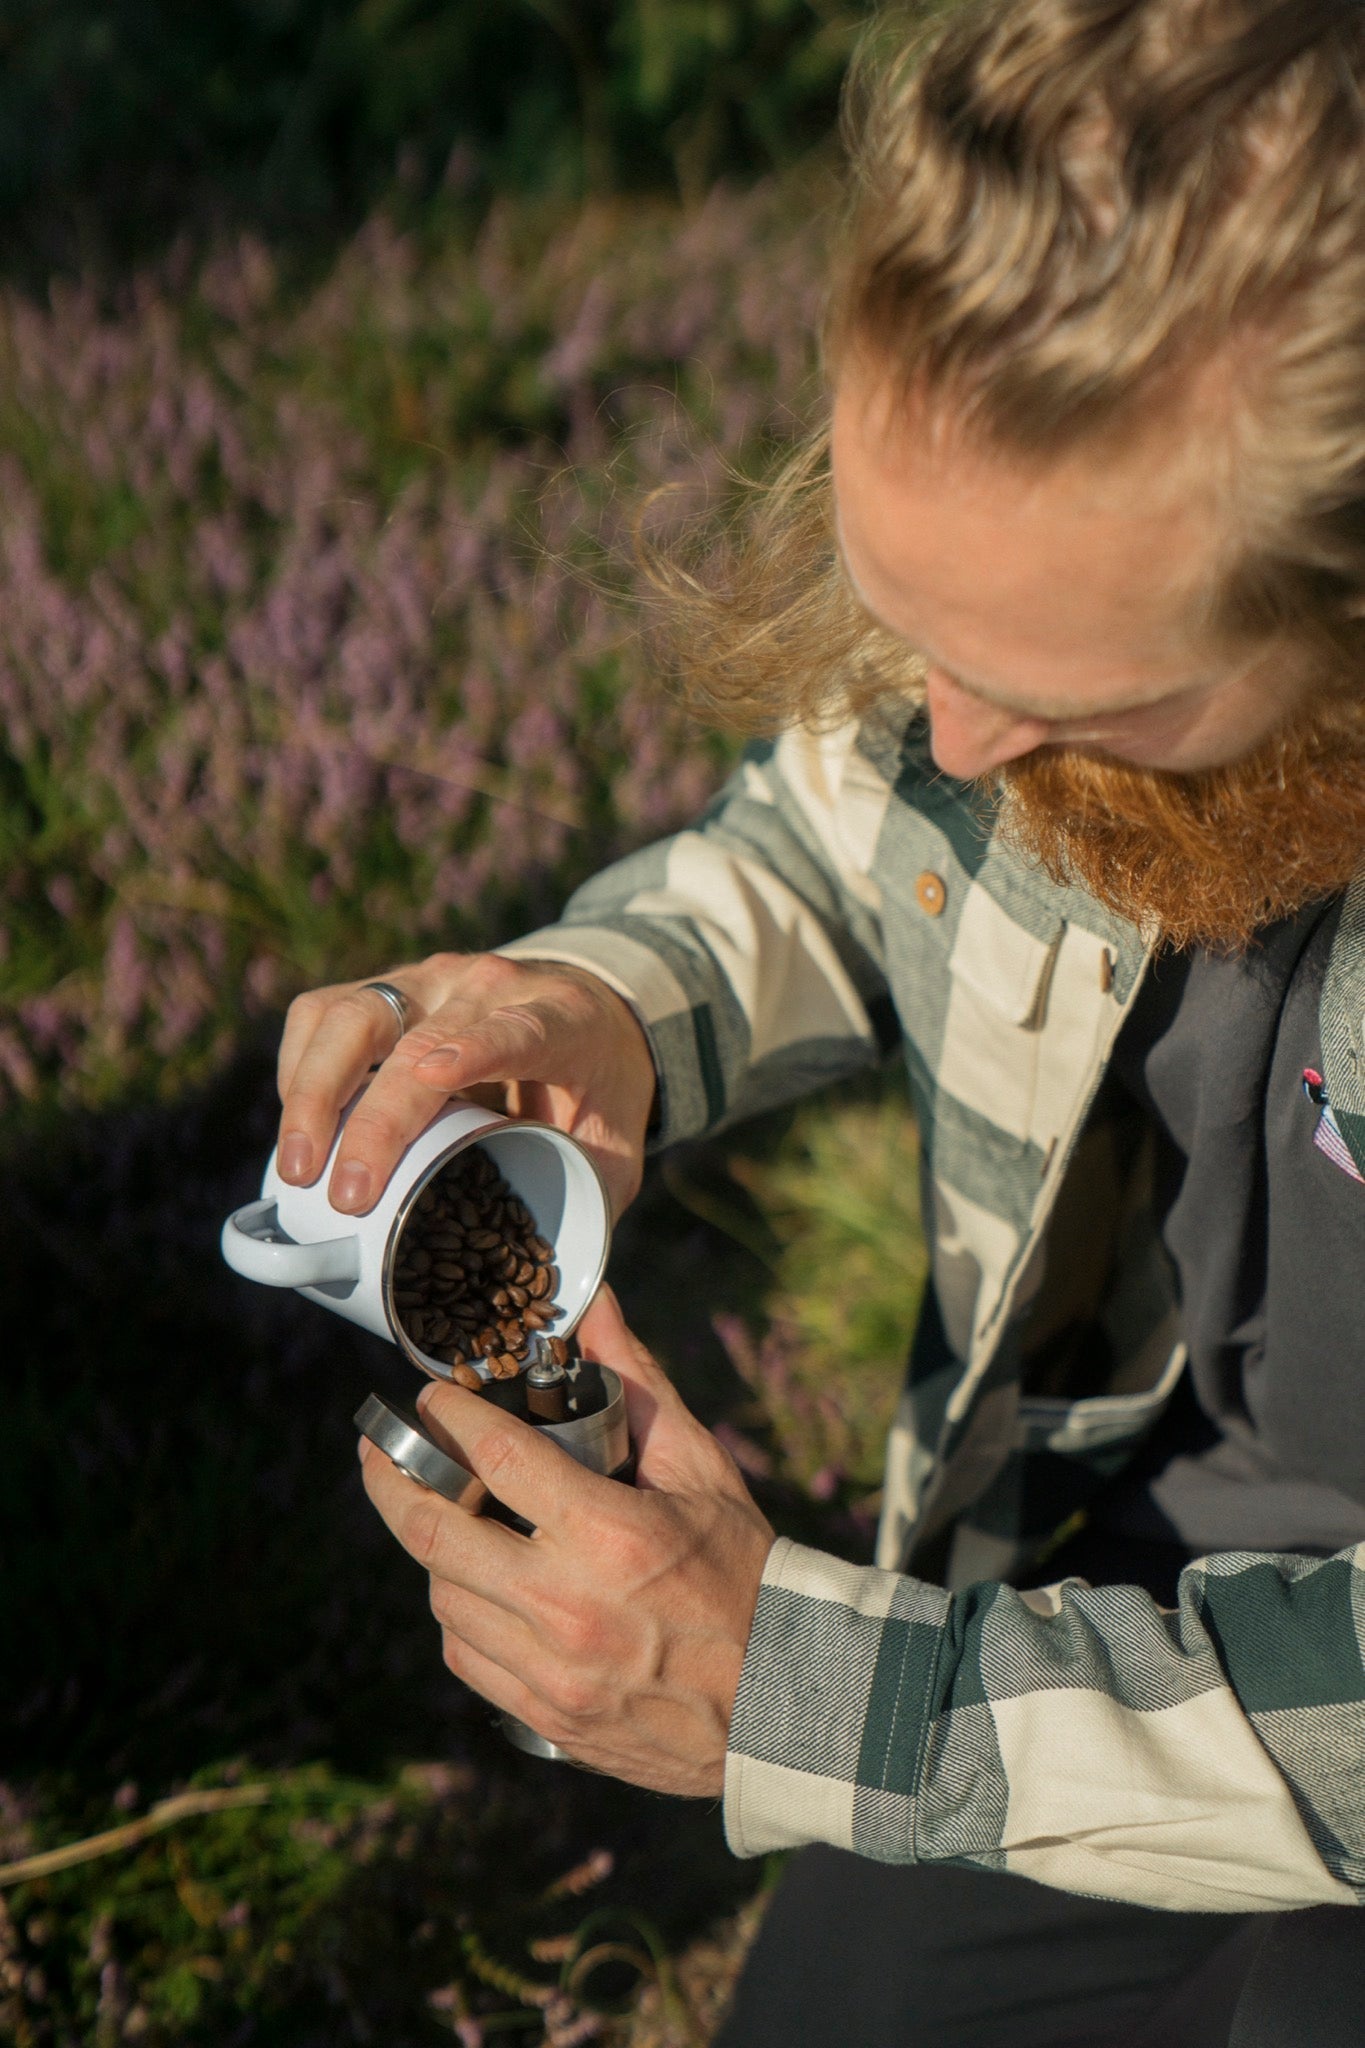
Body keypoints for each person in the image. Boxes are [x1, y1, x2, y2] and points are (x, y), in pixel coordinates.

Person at [272, 0, 1365, 2038]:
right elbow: (840, 834)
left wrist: (836, 1706)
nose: (952, 733)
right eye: (905, 615)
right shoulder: (1029, 604)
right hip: (1102, 1566)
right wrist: (608, 1002)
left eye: (1066, 693)